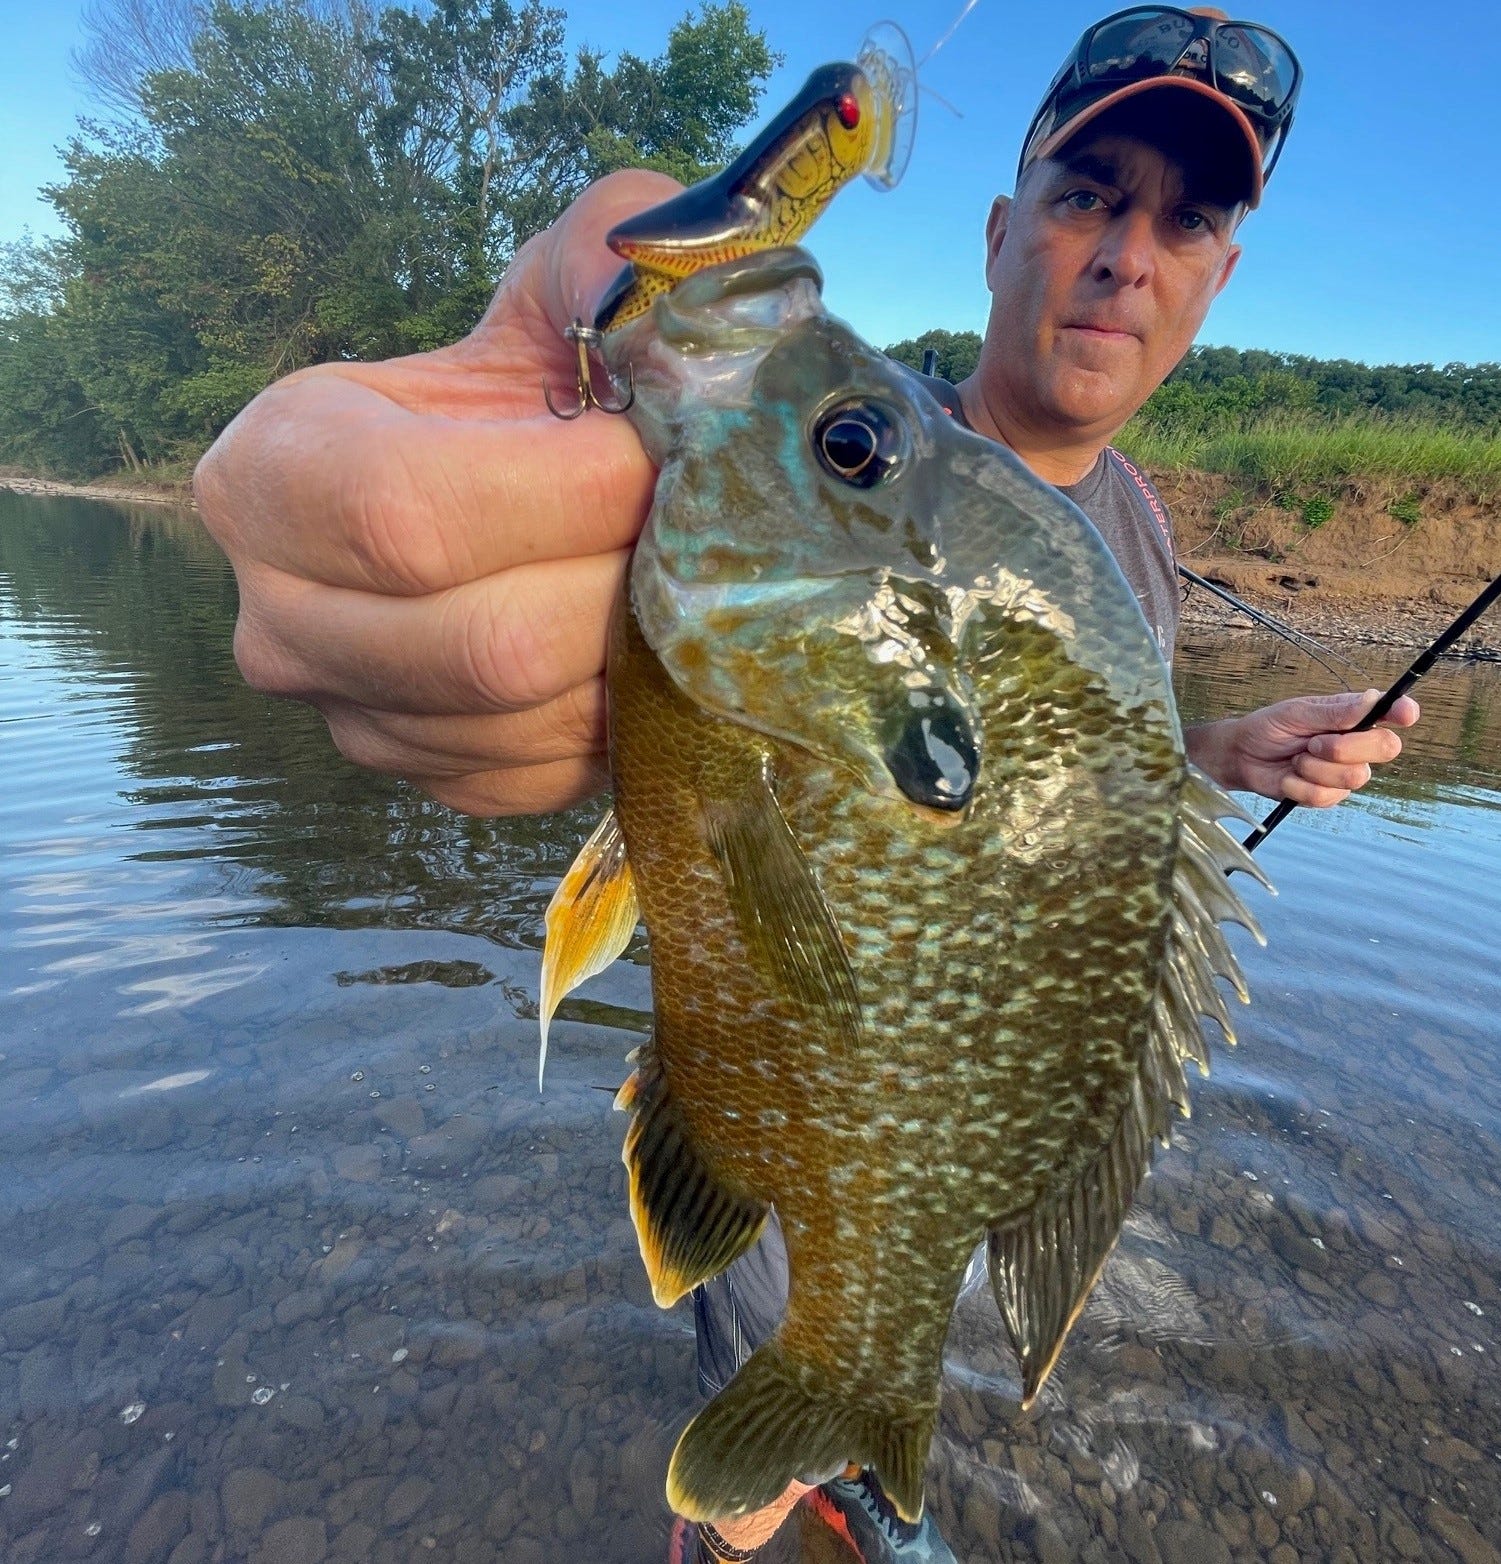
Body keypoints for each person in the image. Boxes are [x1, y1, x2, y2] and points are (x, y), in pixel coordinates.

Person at [196, 9, 1419, 1561]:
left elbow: (1034, 811)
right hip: (807, 1079)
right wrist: (477, 471)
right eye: (1086, 193)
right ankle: (767, 1501)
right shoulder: (831, 457)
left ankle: (848, 1450)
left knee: (864, 1347)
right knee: (756, 1469)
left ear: (1218, 279)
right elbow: (744, 679)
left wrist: (1210, 761)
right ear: (1000, 229)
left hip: (948, 1088)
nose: (1127, 251)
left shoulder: (1132, 526)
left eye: (1187, 218)